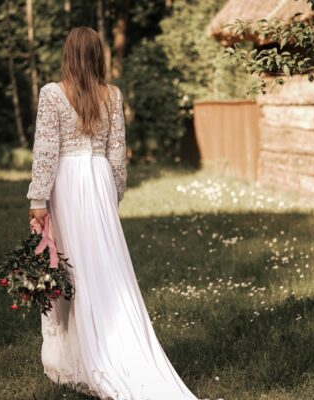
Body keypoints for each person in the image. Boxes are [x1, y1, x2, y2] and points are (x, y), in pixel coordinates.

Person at [26, 27, 199, 400]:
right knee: (101, 264)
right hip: (100, 179)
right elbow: (117, 153)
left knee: (70, 266)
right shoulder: (113, 95)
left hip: (68, 182)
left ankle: (84, 355)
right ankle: (100, 342)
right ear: (98, 56)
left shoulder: (52, 93)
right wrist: (113, 195)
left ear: (68, 55)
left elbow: (46, 150)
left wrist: (38, 198)